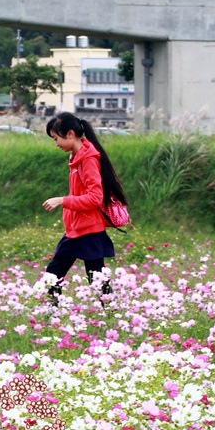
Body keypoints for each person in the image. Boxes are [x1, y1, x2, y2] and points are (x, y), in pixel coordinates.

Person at [40, 111, 127, 307]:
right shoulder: (78, 158)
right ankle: (55, 311)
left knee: (58, 274)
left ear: (70, 134)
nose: (56, 144)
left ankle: (51, 312)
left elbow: (95, 198)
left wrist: (63, 200)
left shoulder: (88, 160)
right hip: (79, 227)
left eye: (56, 138)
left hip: (87, 229)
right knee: (93, 278)